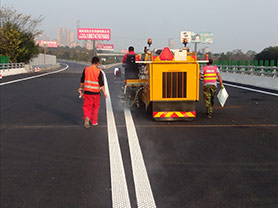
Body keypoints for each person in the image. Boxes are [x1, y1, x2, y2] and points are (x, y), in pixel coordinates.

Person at [78, 56, 108, 128]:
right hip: (96, 93)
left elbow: (82, 80)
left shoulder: (86, 69)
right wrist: (104, 93)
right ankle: (94, 122)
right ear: (97, 63)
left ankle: (87, 117)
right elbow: (101, 84)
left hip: (87, 92)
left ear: (91, 62)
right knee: (95, 107)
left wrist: (81, 89)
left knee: (87, 107)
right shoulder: (99, 71)